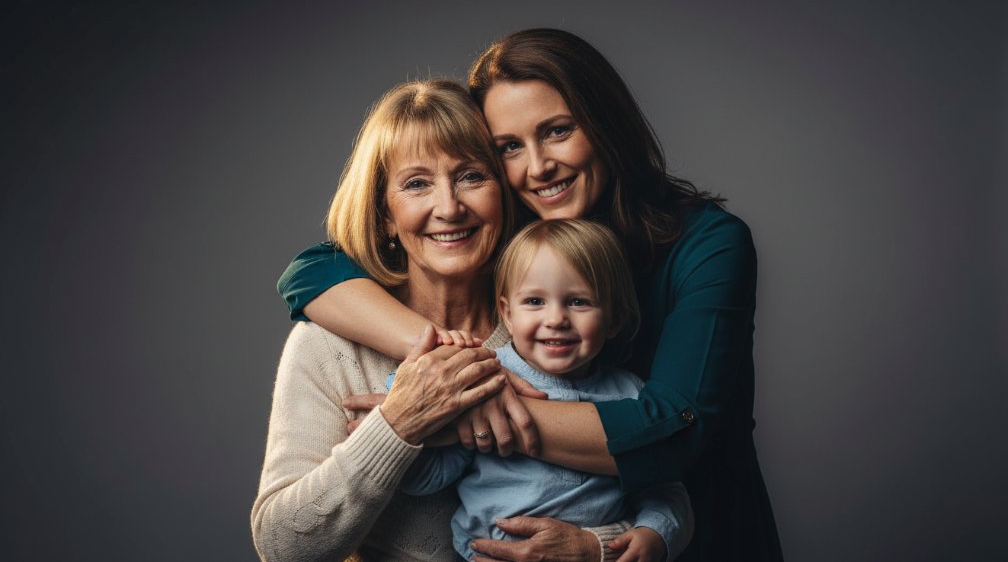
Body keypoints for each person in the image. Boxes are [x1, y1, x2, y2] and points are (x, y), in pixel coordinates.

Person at [277, 29, 783, 561]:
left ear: (606, 123)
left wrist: (467, 405)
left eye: (558, 131)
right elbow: (310, 270)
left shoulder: (704, 243)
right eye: (509, 148)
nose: (539, 166)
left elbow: (672, 436)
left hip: (702, 538)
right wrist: (450, 363)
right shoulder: (521, 229)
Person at [252, 79, 682, 562]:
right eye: (417, 184)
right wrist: (396, 424)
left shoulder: (563, 326)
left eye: (471, 177)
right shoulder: (327, 344)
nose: (449, 207)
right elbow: (283, 548)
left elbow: (661, 483)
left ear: (503, 191)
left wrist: (596, 548)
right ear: (385, 215)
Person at [399, 218, 693, 562]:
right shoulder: (486, 374)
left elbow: (665, 488)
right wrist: (403, 428)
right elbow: (428, 477)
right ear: (507, 315)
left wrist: (655, 532)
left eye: (579, 302)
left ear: (613, 319)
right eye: (535, 302)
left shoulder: (630, 394)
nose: (556, 319)